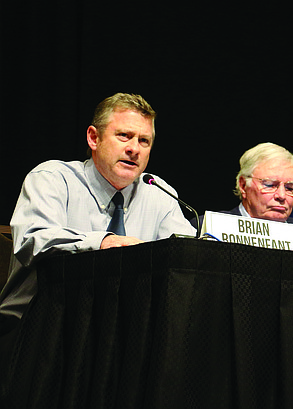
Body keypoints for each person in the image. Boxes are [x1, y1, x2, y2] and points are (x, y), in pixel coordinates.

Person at [0, 93, 196, 325]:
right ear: (94, 138)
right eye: (124, 136)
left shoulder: (157, 191)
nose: (134, 149)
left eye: (144, 141)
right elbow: (33, 240)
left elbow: (185, 256)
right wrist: (104, 243)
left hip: (122, 331)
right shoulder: (52, 179)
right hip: (37, 326)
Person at [195, 142, 293, 225]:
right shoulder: (207, 227)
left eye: (290, 188)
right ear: (243, 186)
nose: (282, 196)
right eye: (269, 185)